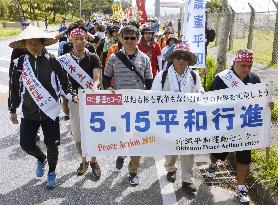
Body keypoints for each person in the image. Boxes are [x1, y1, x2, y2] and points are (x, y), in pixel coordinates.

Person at [8, 25, 78, 189]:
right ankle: (41, 158)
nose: (33, 45)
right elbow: (14, 88)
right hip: (28, 112)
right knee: (26, 144)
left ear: (42, 43)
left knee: (52, 145)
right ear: (24, 44)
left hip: (50, 112)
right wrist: (12, 109)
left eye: (36, 42)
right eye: (29, 42)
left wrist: (71, 95)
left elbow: (64, 84)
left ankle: (52, 171)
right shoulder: (19, 64)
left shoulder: (53, 61)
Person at [205, 49, 274, 203]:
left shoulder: (254, 79)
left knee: (244, 158)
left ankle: (240, 188)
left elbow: (261, 101)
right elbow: (209, 101)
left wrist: (269, 104)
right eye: (243, 65)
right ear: (234, 63)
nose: (246, 69)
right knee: (218, 151)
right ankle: (212, 164)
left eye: (249, 66)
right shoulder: (222, 79)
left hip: (245, 127)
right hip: (225, 124)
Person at [103, 25, 153, 186]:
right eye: (126, 38)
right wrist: (109, 89)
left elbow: (149, 82)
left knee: (137, 138)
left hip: (139, 106)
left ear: (138, 39)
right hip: (120, 106)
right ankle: (121, 152)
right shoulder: (113, 58)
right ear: (121, 39)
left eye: (133, 38)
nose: (130, 41)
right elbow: (106, 79)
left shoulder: (145, 58)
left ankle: (133, 171)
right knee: (122, 135)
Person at [151, 42, 203, 193]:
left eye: (185, 57)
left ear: (189, 60)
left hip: (188, 118)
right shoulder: (163, 75)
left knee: (188, 149)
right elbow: (154, 95)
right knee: (170, 148)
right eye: (178, 57)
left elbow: (200, 91)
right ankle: (171, 168)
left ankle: (187, 179)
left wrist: (200, 95)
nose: (181, 60)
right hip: (169, 119)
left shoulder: (194, 75)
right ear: (172, 58)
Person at [58, 22, 102, 178]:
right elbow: (62, 82)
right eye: (76, 38)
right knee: (77, 134)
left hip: (91, 98)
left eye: (82, 38)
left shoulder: (93, 57)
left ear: (86, 40)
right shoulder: (64, 60)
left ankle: (94, 161)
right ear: (71, 40)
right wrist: (70, 95)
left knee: (93, 133)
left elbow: (96, 78)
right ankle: (84, 161)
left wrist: (94, 87)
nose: (79, 42)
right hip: (74, 99)